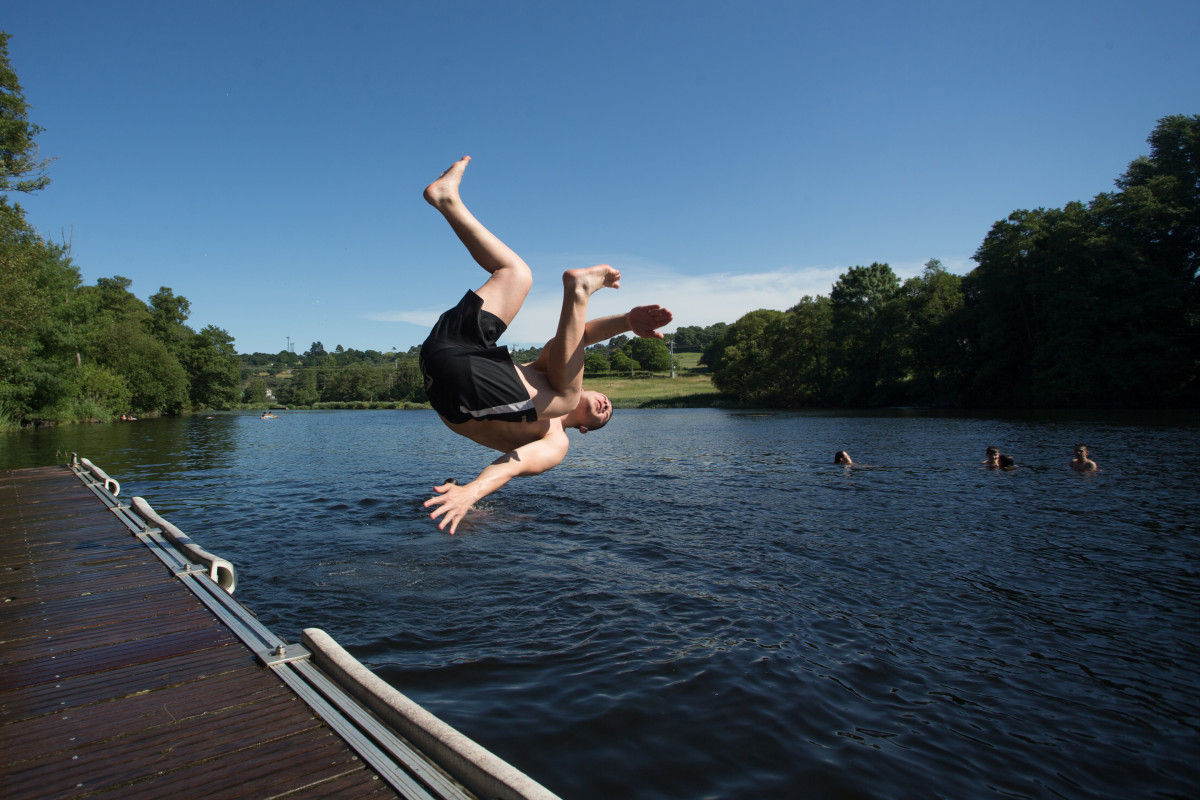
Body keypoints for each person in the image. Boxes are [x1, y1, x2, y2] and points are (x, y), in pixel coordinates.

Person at [418, 157, 673, 534]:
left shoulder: (555, 441)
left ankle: (581, 289)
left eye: (605, 416)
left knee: (564, 397)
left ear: (585, 428)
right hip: (449, 348)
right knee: (517, 274)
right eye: (608, 402)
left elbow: (514, 463)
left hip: (456, 392)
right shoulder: (546, 378)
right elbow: (574, 338)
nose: (606, 406)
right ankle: (446, 199)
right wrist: (626, 322)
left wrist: (472, 491)